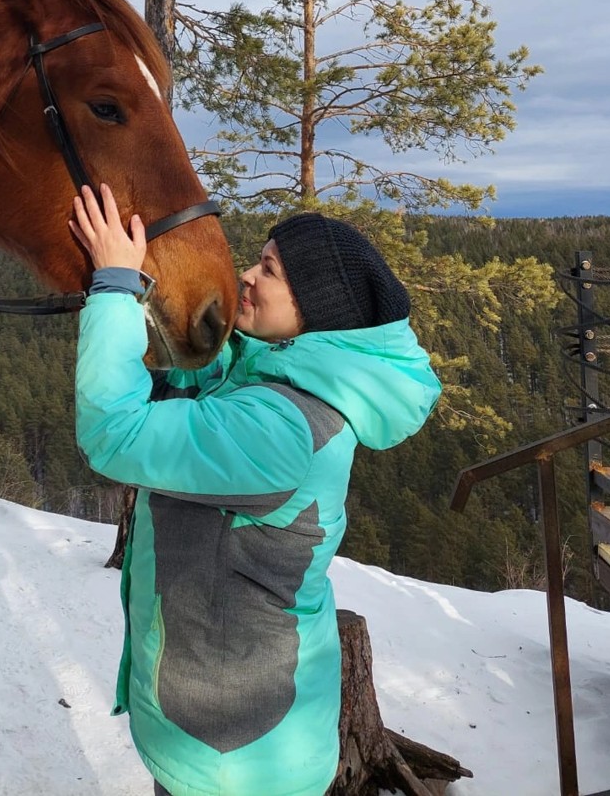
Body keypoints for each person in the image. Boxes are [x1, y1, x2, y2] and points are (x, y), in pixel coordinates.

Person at [70, 183, 441, 796]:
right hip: (240, 734)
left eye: (268, 269)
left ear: (316, 309)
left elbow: (117, 430)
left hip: (234, 757)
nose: (247, 274)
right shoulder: (273, 390)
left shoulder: (281, 427)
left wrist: (115, 285)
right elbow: (186, 388)